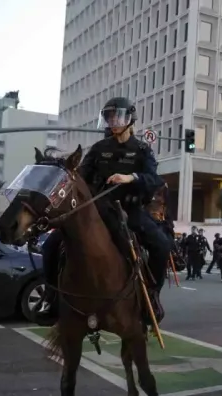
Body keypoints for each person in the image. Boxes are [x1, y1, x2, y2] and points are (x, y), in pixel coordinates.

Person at [37, 97, 168, 323]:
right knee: (50, 245)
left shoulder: (142, 149)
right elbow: (81, 177)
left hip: (130, 209)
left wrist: (130, 177)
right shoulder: (99, 149)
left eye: (117, 117)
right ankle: (51, 296)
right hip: (97, 208)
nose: (112, 121)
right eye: (109, 117)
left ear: (130, 119)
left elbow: (154, 179)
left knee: (162, 245)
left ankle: (152, 295)